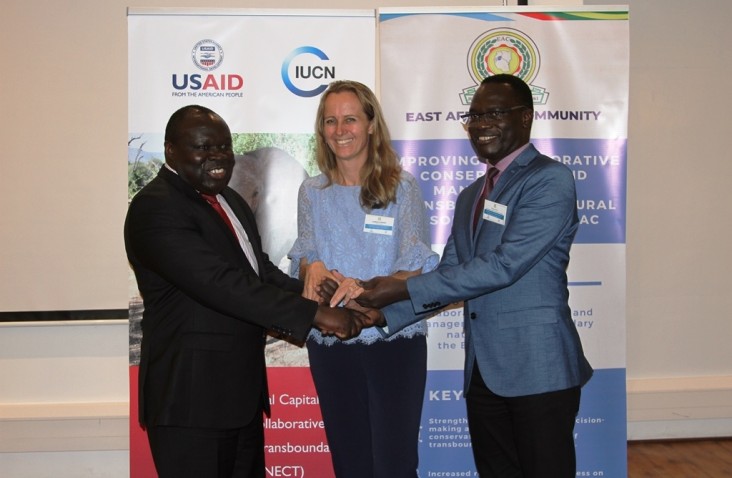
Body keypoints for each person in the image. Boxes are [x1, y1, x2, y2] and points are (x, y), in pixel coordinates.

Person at [334, 74, 594, 478]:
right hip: (483, 374)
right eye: (473, 116)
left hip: (538, 367)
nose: (480, 124)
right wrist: (384, 314)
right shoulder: (472, 194)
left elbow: (504, 265)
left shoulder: (549, 179)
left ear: (526, 118)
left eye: (493, 113)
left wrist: (400, 287)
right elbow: (451, 274)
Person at [124, 105, 371, 478]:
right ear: (171, 150)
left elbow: (259, 272)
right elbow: (221, 284)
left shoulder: (230, 201)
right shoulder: (155, 208)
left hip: (239, 398)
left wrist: (321, 294)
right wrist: (317, 316)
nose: (218, 157)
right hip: (190, 403)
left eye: (224, 147)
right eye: (203, 148)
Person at [287, 80, 438, 478]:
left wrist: (365, 289)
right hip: (332, 341)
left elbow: (415, 267)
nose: (341, 130)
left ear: (371, 124)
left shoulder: (401, 188)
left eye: (350, 118)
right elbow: (305, 260)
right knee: (349, 460)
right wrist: (312, 268)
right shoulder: (312, 192)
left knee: (395, 463)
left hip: (392, 341)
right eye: (331, 121)